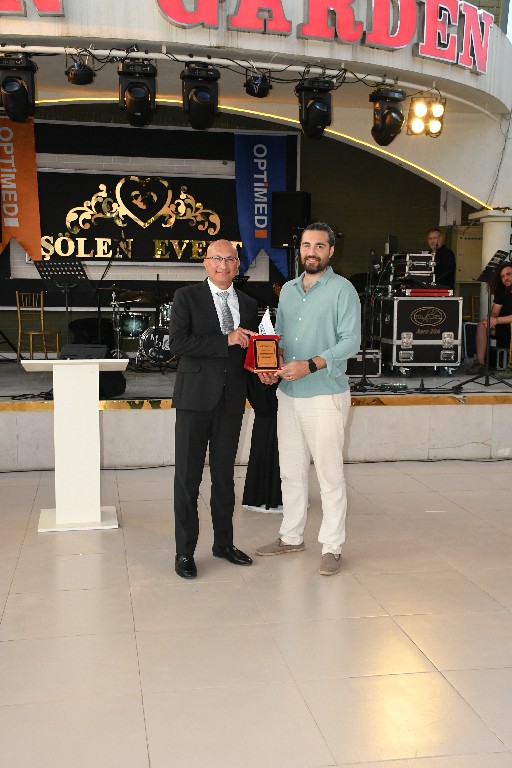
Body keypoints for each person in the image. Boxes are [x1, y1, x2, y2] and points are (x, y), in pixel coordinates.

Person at [255, 222, 361, 576]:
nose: (311, 252)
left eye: (319, 246)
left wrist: (310, 365)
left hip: (325, 394)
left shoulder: (343, 290)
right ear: (299, 249)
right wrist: (272, 366)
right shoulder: (287, 290)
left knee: (330, 476)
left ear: (331, 251)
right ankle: (291, 537)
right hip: (289, 394)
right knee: (291, 472)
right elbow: (281, 339)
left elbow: (351, 342)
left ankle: (332, 547)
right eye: (306, 245)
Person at [168, 239, 259, 579]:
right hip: (194, 399)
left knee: (224, 477)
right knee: (188, 478)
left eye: (230, 259)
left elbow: (251, 351)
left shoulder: (249, 303)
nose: (223, 264)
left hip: (231, 400)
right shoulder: (186, 297)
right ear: (205, 263)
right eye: (217, 258)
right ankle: (184, 552)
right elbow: (178, 343)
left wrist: (264, 370)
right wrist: (226, 339)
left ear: (238, 265)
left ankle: (223, 543)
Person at [467, 261, 512, 376]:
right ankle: (480, 364)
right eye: (502, 276)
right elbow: (495, 311)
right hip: (502, 327)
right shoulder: (502, 290)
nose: (505, 278)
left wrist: (496, 320)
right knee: (482, 325)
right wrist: (491, 319)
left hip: (508, 325)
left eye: (508, 274)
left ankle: (511, 367)